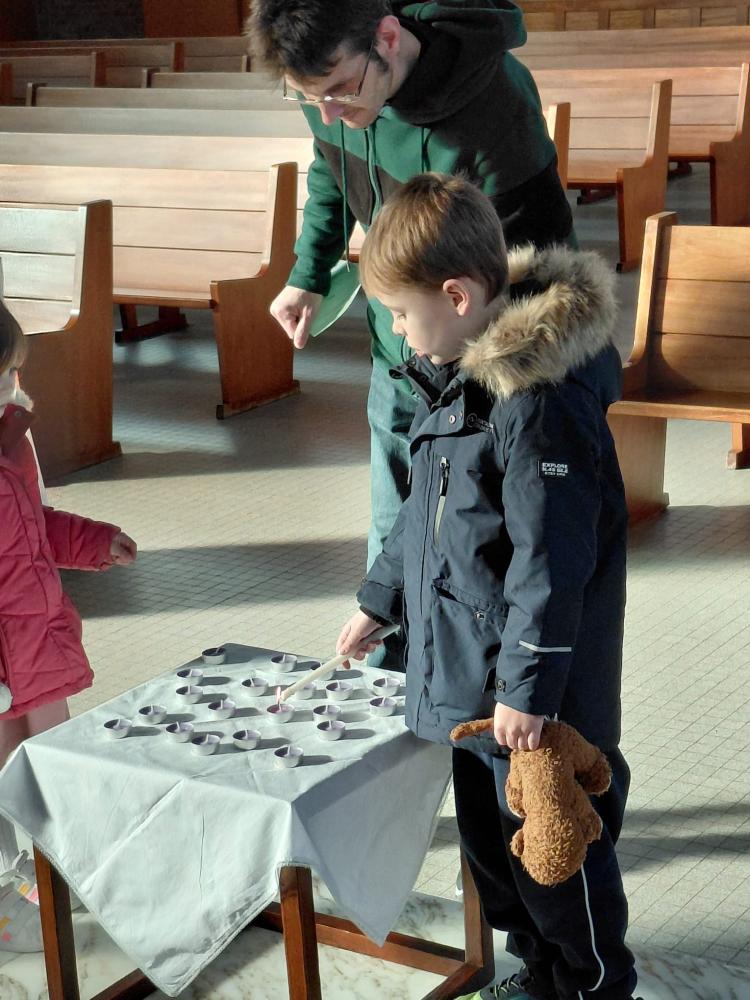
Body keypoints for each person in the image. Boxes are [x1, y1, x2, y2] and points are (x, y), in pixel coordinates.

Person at [336, 174, 638, 1000]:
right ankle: (539, 975)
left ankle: (593, 986)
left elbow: (554, 561)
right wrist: (380, 598)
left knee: (557, 855)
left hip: (538, 701)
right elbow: (424, 513)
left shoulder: (536, 405)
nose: (396, 331)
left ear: (458, 296)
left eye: (400, 313)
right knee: (496, 858)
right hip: (474, 684)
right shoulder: (454, 377)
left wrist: (528, 690)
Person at [247, 0, 575, 670]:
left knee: (473, 541)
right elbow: (331, 169)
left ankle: (467, 687)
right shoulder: (330, 92)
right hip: (399, 350)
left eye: (340, 90)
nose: (328, 112)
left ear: (388, 38)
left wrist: (484, 385)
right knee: (393, 530)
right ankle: (392, 690)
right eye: (308, 98)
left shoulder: (495, 104)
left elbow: (539, 264)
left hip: (484, 367)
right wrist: (308, 274)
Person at [0, 299, 137, 952]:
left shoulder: (12, 443)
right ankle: (6, 902)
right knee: (2, 781)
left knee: (53, 766)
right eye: (4, 374)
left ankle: (55, 871)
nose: (15, 385)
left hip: (36, 644)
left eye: (13, 372)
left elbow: (37, 525)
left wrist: (95, 542)